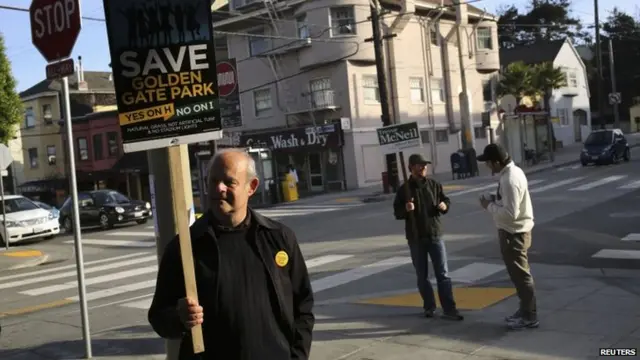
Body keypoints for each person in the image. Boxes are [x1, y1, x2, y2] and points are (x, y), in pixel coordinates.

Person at [148, 149, 315, 359]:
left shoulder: (279, 238)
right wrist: (179, 318)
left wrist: (298, 356)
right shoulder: (185, 247)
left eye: (229, 182)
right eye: (213, 180)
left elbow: (303, 306)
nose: (219, 188)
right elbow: (159, 317)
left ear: (251, 187)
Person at [393, 154, 463, 321]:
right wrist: (406, 209)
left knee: (443, 274)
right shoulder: (404, 190)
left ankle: (449, 308)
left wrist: (445, 205)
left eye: (425, 165)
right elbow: (397, 213)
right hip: (416, 238)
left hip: (435, 234)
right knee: (422, 275)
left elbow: (445, 200)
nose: (423, 168)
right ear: (411, 167)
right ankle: (429, 306)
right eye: (419, 165)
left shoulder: (434, 185)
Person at [476, 143, 539, 330]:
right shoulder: (513, 173)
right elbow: (511, 203)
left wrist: (488, 205)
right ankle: (525, 309)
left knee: (521, 276)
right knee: (519, 276)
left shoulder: (509, 179)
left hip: (514, 234)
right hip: (515, 232)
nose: (487, 166)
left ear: (496, 162)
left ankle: (530, 315)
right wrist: (496, 199)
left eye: (488, 163)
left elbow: (511, 213)